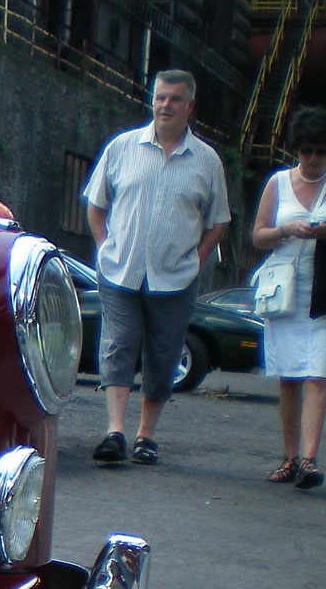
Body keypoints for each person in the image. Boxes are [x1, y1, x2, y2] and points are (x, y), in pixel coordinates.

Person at [83, 69, 231, 465]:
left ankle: (146, 436)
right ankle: (114, 432)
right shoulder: (122, 147)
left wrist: (197, 260)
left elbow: (219, 221)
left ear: (190, 106)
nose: (166, 106)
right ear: (152, 101)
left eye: (175, 99)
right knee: (118, 345)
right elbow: (96, 204)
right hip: (120, 270)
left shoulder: (207, 161)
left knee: (163, 355)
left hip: (175, 276)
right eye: (160, 98)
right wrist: (104, 246)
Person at [249, 106, 326, 490]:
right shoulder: (278, 183)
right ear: (295, 150)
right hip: (284, 286)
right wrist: (286, 229)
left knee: (318, 375)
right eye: (306, 151)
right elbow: (257, 236)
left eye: (321, 151)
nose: (314, 159)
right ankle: (289, 457)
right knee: (289, 377)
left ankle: (309, 459)